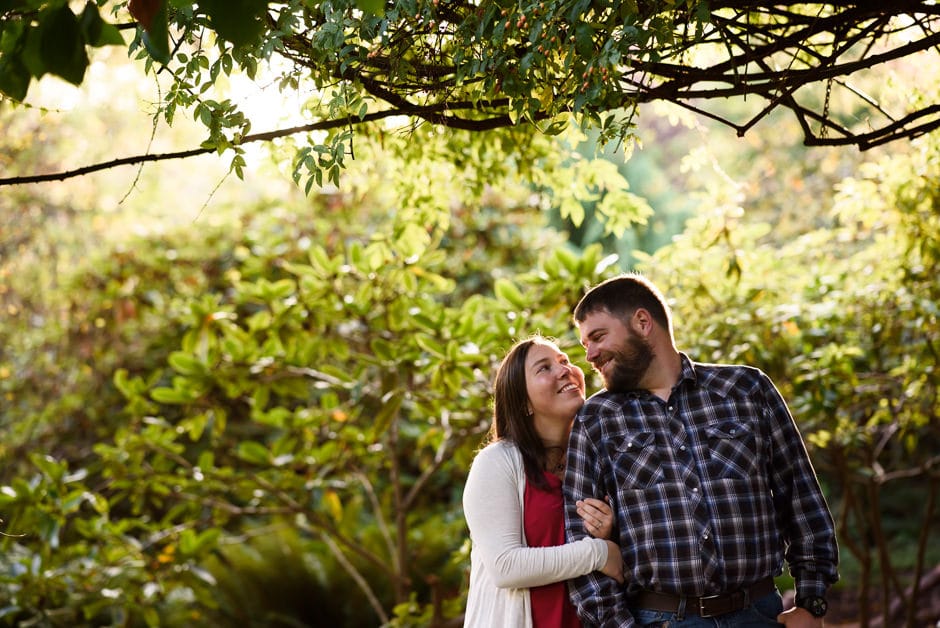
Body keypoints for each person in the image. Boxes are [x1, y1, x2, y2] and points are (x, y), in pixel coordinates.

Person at [563, 273, 839, 627]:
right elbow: (581, 544)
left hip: (757, 615)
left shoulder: (746, 389)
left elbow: (801, 498)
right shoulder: (597, 419)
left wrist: (810, 602)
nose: (590, 355)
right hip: (658, 619)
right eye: (586, 344)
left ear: (643, 322)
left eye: (598, 337)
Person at [463, 335, 625, 628]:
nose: (565, 369)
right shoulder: (497, 462)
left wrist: (610, 534)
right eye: (544, 368)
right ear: (523, 402)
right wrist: (599, 553)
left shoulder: (599, 457)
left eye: (564, 360)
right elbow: (505, 567)